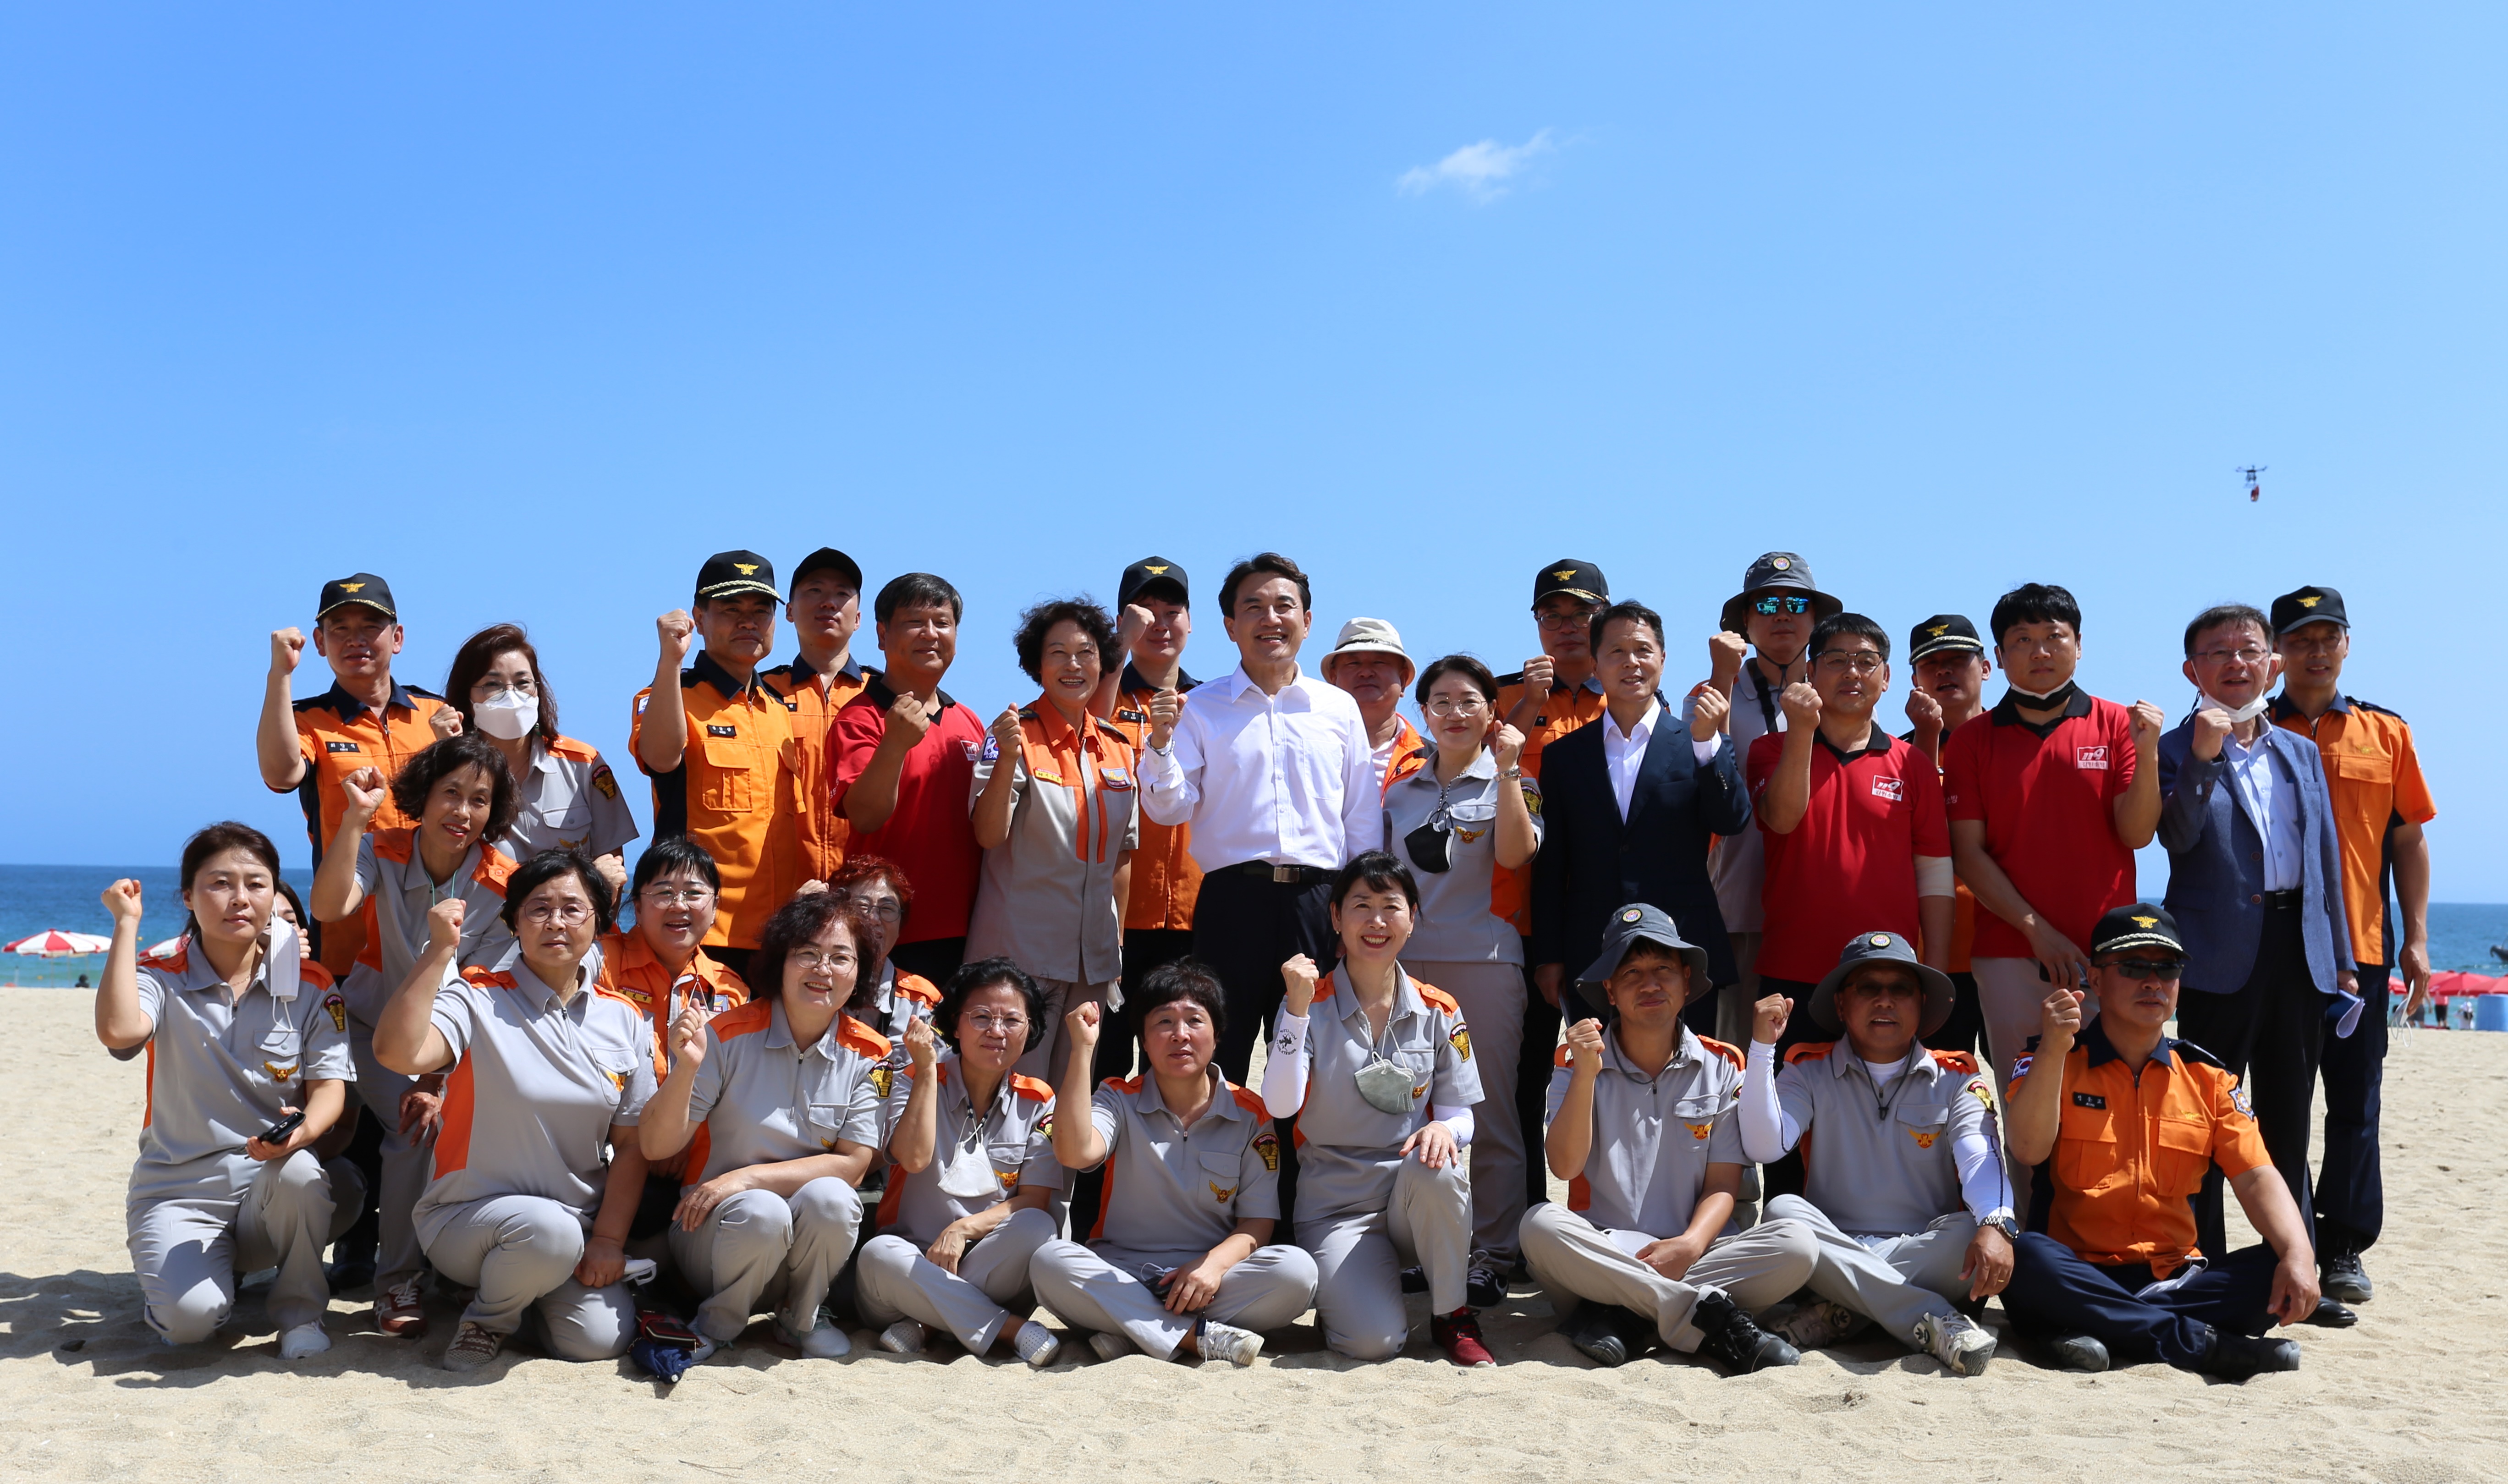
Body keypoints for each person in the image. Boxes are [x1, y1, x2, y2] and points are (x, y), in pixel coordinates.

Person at [1999, 904, 2321, 1380]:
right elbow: (2027, 1148)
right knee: (2026, 1258)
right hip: (2077, 1271)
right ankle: (2199, 1344)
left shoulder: (2208, 1079)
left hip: (2174, 1282)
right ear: (2096, 978)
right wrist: (2052, 1047)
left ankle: (2102, 1329)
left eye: (2167, 968)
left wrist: (2300, 1253)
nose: (2153, 982)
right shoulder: (2055, 1058)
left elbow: (2256, 1177)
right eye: (2133, 967)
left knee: (2278, 1265)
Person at [372, 849, 655, 1372]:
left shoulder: (625, 1020)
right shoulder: (476, 997)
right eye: (538, 908)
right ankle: (487, 1321)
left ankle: (512, 1294)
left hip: (570, 1230)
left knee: (596, 1340)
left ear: (599, 921)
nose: (556, 922)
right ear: (513, 923)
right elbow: (396, 1052)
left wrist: (608, 1241)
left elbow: (633, 1144)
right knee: (547, 1233)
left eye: (573, 908)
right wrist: (438, 954)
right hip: (465, 1219)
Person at [94, 824, 362, 1358]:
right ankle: (186, 1288)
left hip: (266, 1185)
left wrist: (304, 1131)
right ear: (189, 897)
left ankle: (301, 1314)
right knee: (190, 1323)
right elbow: (120, 1031)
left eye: (256, 884)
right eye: (220, 883)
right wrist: (126, 925)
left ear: (274, 894)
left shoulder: (310, 983)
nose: (240, 898)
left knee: (306, 1172)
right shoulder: (161, 975)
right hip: (180, 1190)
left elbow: (330, 1087)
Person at [1518, 904, 1812, 1373]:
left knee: (1798, 1244)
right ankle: (1706, 1319)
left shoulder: (1723, 1064)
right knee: (1539, 1226)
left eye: (1663, 970)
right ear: (1610, 990)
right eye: (1631, 973)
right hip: (1608, 1251)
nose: (1649, 984)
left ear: (1686, 980)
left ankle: (1628, 1318)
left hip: (1696, 1254)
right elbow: (1565, 1167)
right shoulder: (1574, 1061)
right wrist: (1588, 1074)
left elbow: (1723, 1183)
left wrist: (1690, 1245)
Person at [2157, 604, 2358, 1281]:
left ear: (2272, 663)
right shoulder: (2172, 749)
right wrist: (2204, 757)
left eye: (2247, 649)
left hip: (2298, 950)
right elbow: (2176, 837)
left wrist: (2343, 960)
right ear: (2193, 670)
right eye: (2217, 652)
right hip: (2215, 955)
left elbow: (2326, 861)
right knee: (2206, 1120)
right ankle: (2205, 1270)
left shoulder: (2299, 751)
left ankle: (2295, 1268)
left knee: (2290, 1121)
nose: (2235, 663)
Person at [1137, 552, 1380, 1088]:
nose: (1271, 618)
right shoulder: (1199, 707)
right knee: (1219, 1058)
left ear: (1307, 621)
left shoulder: (1338, 709)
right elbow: (1168, 807)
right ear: (1230, 626)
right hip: (1232, 903)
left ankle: (1298, 1151)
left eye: (1284, 606)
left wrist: (1358, 910)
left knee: (1313, 1060)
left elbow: (1361, 818)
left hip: (1319, 905)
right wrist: (1159, 746)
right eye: (1254, 607)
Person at [308, 734, 520, 1340]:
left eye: (480, 799)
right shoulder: (383, 847)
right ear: (423, 796)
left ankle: (434, 1269)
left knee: (433, 1123)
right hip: (364, 1025)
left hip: (444, 1042)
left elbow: (479, 993)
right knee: (397, 1128)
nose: (463, 811)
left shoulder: (502, 883)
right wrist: (354, 818)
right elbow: (328, 906)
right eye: (451, 792)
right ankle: (393, 1278)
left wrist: (434, 1077)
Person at [1737, 931, 2008, 1376]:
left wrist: (1997, 1223)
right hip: (1832, 1243)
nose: (1885, 1000)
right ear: (1842, 1004)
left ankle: (1841, 1312)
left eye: (1900, 989)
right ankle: (1929, 1317)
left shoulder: (1957, 1076)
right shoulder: (1806, 1069)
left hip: (1922, 1250)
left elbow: (1980, 1158)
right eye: (1868, 988)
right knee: (1783, 1212)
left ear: (1921, 1003)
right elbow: (1764, 1145)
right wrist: (1763, 1048)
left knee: (1968, 1231)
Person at [2270, 585, 2437, 1303]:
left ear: (2346, 643)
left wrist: (2417, 937)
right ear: (2276, 650)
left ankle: (2343, 1246)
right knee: (2281, 1107)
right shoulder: (2251, 729)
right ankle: (2292, 1242)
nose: (2316, 651)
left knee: (2356, 1103)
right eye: (2299, 639)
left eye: (2327, 636)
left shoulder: (2386, 731)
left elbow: (2409, 840)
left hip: (2362, 950)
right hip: (2276, 951)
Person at [637, 891, 887, 1360]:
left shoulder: (873, 1056)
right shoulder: (726, 1035)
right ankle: (715, 1324)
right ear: (780, 961)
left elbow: (853, 1166)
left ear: (860, 972)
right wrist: (685, 1070)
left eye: (841, 957)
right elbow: (655, 1146)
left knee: (834, 1199)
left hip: (793, 1242)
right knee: (762, 1212)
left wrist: (746, 1178)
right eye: (807, 953)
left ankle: (801, 1319)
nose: (823, 969)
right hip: (712, 1231)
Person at [1030, 961, 1320, 1366]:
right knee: (1050, 1261)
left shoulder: (1252, 1115)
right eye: (1164, 1022)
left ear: (1217, 1036)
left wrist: (1212, 1267)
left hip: (1209, 1279)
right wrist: (1082, 1050)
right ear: (1144, 1041)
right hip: (1121, 1272)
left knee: (1297, 1272)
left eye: (1195, 1021)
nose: (1180, 1035)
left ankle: (1129, 1329)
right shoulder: (1118, 1098)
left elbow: (1257, 1225)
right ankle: (1193, 1337)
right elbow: (1076, 1153)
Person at [1261, 853, 1488, 1365]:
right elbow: (1280, 1103)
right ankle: (1349, 1294)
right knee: (1371, 1343)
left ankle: (1452, 1314)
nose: (1377, 921)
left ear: (1412, 918)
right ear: (1336, 917)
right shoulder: (1308, 1005)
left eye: (1391, 906)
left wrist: (1446, 1130)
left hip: (1411, 1195)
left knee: (1441, 1164)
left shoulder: (1440, 1009)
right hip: (1337, 1208)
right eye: (1361, 906)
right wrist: (1295, 1010)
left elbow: (1461, 1115)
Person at [1942, 583, 2165, 1097]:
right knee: (2024, 1096)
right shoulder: (1971, 740)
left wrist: (2148, 752)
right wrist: (2037, 932)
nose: (2040, 651)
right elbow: (1968, 853)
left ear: (2079, 644)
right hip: (2008, 950)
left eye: (2053, 636)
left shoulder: (2118, 724)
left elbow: (2137, 833)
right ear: (1999, 656)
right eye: (2022, 639)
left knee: (2109, 1096)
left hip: (2106, 951)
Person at [1382, 654, 1540, 1302]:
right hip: (1406, 970)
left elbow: (1517, 853)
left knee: (1491, 1113)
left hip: (1486, 963)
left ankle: (1494, 1254)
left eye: (1469, 700)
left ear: (1491, 712)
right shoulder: (1398, 791)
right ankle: (1424, 1249)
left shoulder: (1517, 779)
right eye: (1441, 701)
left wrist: (1507, 769)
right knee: (1406, 1112)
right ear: (1423, 713)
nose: (1454, 712)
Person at [1531, 600, 1745, 1039]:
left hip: (1685, 948)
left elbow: (1731, 819)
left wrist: (1707, 746)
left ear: (1663, 659)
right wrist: (1549, 956)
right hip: (1593, 951)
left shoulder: (1697, 740)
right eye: (1616, 652)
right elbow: (1552, 865)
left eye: (1643, 650)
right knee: (1598, 1074)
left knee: (1690, 1072)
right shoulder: (1564, 756)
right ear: (1596, 664)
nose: (1631, 662)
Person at [1745, 613, 1953, 1064]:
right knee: (1788, 1105)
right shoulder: (1770, 749)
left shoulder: (1913, 764)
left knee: (1889, 1105)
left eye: (1866, 661)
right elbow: (1781, 819)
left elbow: (1935, 873)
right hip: (1793, 970)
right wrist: (1801, 729)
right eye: (1837, 660)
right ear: (1810, 672)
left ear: (1887, 677)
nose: (1852, 672)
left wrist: (1934, 971)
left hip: (1888, 978)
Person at [859, 958, 1064, 1365]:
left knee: (1038, 1225)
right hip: (907, 1271)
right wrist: (925, 1072)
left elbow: (1035, 1200)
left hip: (989, 1268)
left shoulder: (1039, 1099)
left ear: (1031, 1030)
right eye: (981, 1017)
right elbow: (912, 1158)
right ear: (955, 1024)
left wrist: (963, 1229)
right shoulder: (913, 1077)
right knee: (879, 1253)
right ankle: (1009, 1330)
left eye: (1012, 1020)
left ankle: (929, 1326)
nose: (996, 1031)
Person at [968, 598, 1139, 1081]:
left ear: (1103, 662)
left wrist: (1116, 947)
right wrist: (1007, 759)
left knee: (1072, 1097)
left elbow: (1122, 859)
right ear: (1037, 664)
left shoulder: (1118, 748)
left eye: (1085, 653)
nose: (1073, 665)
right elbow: (988, 833)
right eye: (1057, 653)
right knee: (1015, 1093)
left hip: (1092, 962)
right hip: (1021, 957)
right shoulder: (1012, 734)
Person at [1494, 559, 1612, 1249]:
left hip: (1601, 918)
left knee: (1605, 1072)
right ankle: (1524, 1220)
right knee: (1524, 1077)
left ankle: (1604, 1219)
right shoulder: (1505, 695)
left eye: (1581, 614)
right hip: (1518, 916)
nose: (1567, 627)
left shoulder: (1630, 693)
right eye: (1553, 615)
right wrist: (1524, 706)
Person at [257, 572, 457, 976]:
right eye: (340, 629)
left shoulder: (436, 712)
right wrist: (280, 674)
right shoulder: (306, 719)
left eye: (370, 626)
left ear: (397, 638)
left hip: (435, 926)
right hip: (348, 937)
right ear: (319, 642)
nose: (355, 640)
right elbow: (281, 775)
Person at [631, 550, 807, 978]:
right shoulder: (673, 693)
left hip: (778, 940)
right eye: (731, 609)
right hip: (701, 934)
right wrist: (670, 661)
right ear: (699, 617)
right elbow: (660, 757)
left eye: (761, 611)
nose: (748, 622)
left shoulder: (780, 709)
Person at [1691, 552, 1841, 1043]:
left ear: (1816, 619)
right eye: (1767, 604)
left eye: (1796, 603)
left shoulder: (1845, 697)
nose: (1782, 615)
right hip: (1737, 909)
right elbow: (1703, 770)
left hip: (1817, 910)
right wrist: (1722, 677)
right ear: (1744, 621)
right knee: (1736, 1055)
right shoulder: (1712, 692)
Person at [834, 572, 989, 985]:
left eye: (943, 623)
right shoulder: (860, 717)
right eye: (915, 622)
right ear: (882, 635)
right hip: (887, 932)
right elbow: (865, 816)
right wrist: (895, 744)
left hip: (969, 930)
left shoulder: (969, 720)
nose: (931, 634)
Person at [1099, 556, 1203, 1083]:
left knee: (1180, 1067)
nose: (1160, 624)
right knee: (1106, 1065)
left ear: (1191, 621)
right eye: (1144, 613)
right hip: (1115, 918)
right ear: (1121, 622)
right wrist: (1114, 653)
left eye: (1172, 611)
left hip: (1196, 917)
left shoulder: (1211, 704)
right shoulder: (1096, 695)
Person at [441, 623, 638, 890]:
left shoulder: (583, 764)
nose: (511, 695)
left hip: (567, 914)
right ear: (467, 697)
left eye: (523, 683)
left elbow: (611, 868)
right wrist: (446, 754)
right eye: (492, 685)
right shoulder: (448, 768)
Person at [1900, 614, 1994, 1058]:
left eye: (1957, 660)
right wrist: (1927, 737)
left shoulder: (2016, 741)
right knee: (1932, 1083)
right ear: (1914, 679)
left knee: (2026, 1080)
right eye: (1930, 664)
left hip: (2009, 944)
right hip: (1931, 950)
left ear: (1986, 667)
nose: (1944, 671)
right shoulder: (1895, 753)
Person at [762, 548, 875, 883]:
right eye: (815, 590)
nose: (828, 602)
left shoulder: (885, 697)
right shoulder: (760, 693)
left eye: (842, 594)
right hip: (781, 887)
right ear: (790, 611)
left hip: (866, 887)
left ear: (858, 618)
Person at [826, 855, 942, 1090]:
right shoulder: (813, 982)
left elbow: (939, 1082)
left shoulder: (922, 1001)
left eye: (887, 909)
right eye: (862, 907)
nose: (874, 919)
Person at [1320, 618, 1421, 789]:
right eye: (1353, 663)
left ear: (1403, 680)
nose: (1366, 673)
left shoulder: (1435, 762)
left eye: (1379, 663)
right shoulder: (1308, 748)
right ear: (1333, 678)